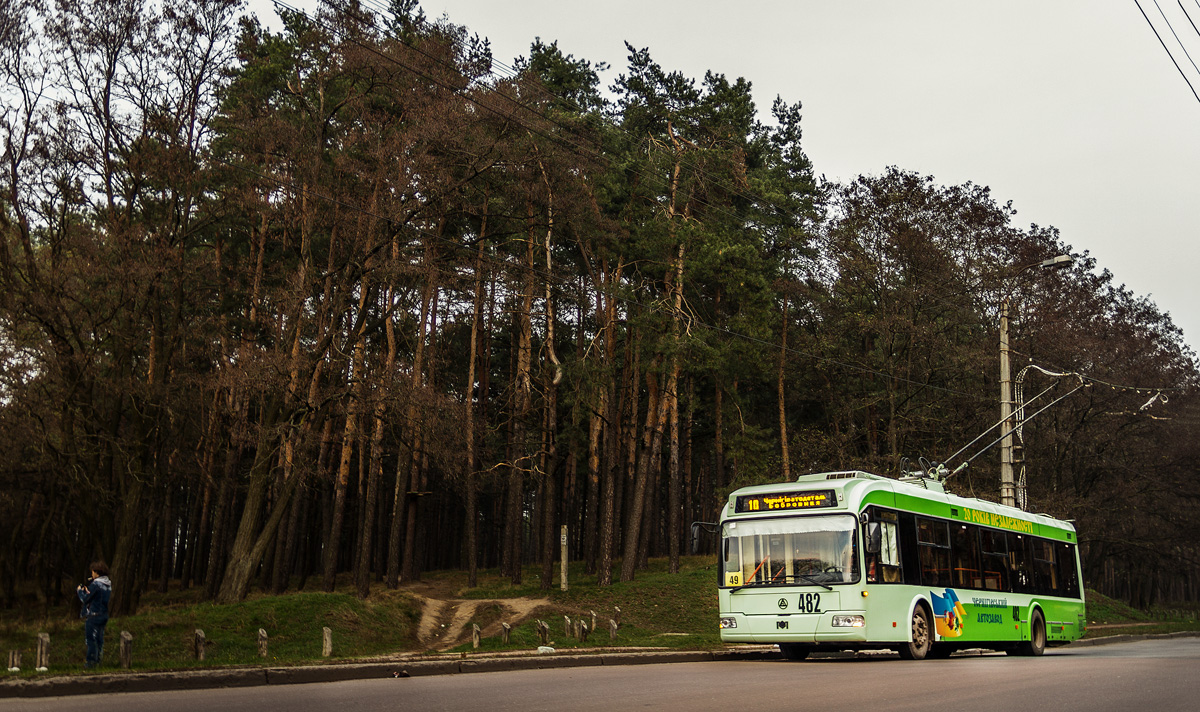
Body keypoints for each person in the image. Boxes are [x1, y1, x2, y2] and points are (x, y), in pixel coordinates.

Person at [77, 561, 111, 669]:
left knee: (91, 640)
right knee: (100, 639)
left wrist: (80, 591)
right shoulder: (107, 584)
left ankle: (90, 663)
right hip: (103, 615)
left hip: (94, 615)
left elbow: (85, 599)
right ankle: (98, 661)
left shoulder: (96, 584)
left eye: (92, 572)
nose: (92, 574)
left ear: (97, 573)